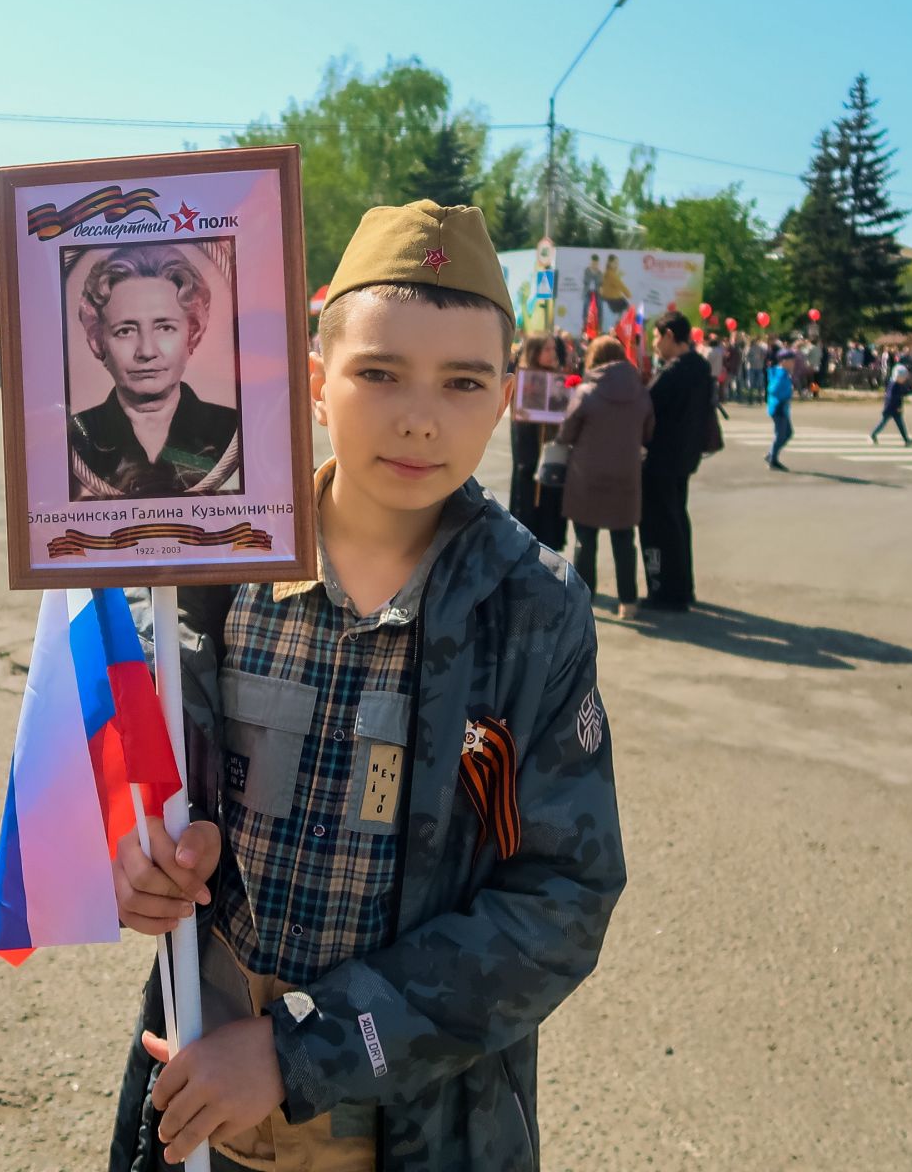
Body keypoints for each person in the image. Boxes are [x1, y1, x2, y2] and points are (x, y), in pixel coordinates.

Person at [107, 199, 623, 1172]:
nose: (421, 416)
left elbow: (563, 897)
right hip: (198, 1090)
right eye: (379, 372)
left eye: (464, 382)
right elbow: (139, 766)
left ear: (506, 395)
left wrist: (304, 1049)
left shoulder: (530, 610)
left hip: (414, 1121)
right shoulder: (219, 563)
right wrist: (137, 857)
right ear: (316, 381)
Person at [68, 244, 240, 499]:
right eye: (125, 330)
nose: (147, 351)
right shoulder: (75, 437)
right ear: (98, 340)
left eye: (165, 328)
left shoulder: (233, 429)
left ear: (192, 333)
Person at [560, 334, 653, 619]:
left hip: (587, 474)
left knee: (585, 539)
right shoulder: (641, 392)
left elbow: (567, 433)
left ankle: (584, 599)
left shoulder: (587, 392)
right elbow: (648, 432)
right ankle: (629, 601)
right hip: (626, 474)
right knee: (624, 539)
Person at [640, 311, 713, 611]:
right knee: (678, 520)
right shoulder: (701, 367)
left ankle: (665, 591)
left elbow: (647, 405)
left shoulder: (673, 373)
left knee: (659, 526)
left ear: (670, 335)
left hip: (661, 459)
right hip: (685, 457)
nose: (655, 344)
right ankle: (683, 586)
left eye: (657, 337)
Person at [506, 333, 569, 549]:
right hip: (530, 459)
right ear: (535, 352)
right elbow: (521, 431)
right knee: (529, 505)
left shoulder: (558, 377)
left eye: (554, 349)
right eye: (547, 349)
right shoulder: (524, 380)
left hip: (552, 457)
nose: (553, 354)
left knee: (550, 512)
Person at [871, 354, 912, 445]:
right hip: (893, 407)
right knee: (888, 423)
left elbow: (903, 392)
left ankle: (906, 440)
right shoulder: (896, 385)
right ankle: (906, 440)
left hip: (890, 406)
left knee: (892, 423)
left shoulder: (893, 383)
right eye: (904, 377)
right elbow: (897, 396)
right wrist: (898, 406)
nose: (905, 379)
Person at [765, 347, 795, 470]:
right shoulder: (780, 374)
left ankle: (771, 454)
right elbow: (773, 389)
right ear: (783, 361)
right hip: (779, 407)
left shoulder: (782, 373)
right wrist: (785, 397)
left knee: (788, 433)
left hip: (781, 407)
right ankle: (773, 460)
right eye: (791, 360)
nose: (793, 363)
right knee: (781, 435)